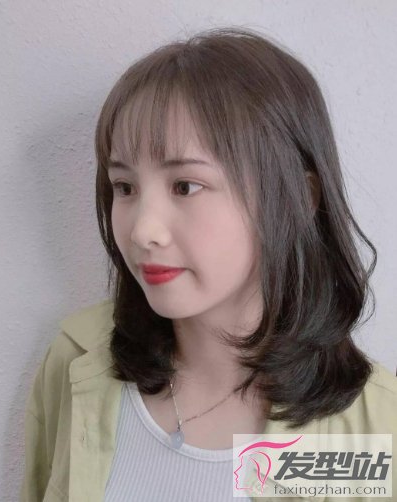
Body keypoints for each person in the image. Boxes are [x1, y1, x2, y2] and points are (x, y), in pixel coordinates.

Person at [20, 26, 397, 501]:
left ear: (298, 198)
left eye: (185, 186)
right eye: (124, 187)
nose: (142, 230)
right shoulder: (77, 360)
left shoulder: (373, 430)